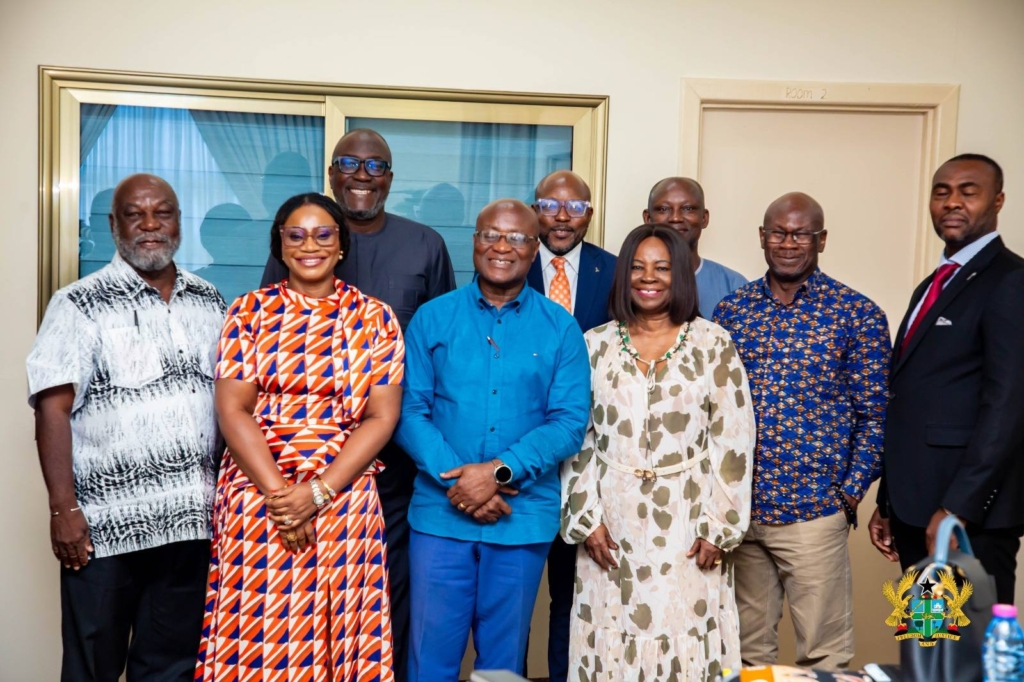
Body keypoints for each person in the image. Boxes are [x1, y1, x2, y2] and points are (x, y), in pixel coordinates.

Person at [260, 129, 455, 681]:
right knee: (296, 600)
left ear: (390, 177)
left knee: (383, 591)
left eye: (375, 165)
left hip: (395, 454)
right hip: (296, 462)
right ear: (331, 174)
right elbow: (269, 337)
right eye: (349, 163)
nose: (362, 175)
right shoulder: (302, 242)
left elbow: (443, 346)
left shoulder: (425, 244)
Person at [27, 174, 226, 681]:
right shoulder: (78, 303)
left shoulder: (210, 301)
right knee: (92, 667)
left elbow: (232, 407)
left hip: (192, 523)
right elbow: (52, 409)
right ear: (114, 225)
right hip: (106, 529)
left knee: (172, 670)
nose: (150, 225)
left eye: (162, 213)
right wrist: (63, 509)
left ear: (179, 222)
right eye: (135, 215)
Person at [196, 193, 404, 681]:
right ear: (281, 245)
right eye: (297, 235)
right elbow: (232, 408)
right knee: (261, 632)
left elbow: (381, 417)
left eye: (323, 234)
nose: (310, 245)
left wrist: (318, 492)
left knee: (342, 628)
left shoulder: (376, 317)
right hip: (258, 494)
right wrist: (282, 499)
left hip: (344, 496)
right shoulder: (250, 312)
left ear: (341, 244)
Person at [395, 199, 590, 681]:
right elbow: (409, 412)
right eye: (491, 235)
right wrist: (462, 483)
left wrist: (497, 474)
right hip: (440, 518)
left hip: (520, 520)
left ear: (535, 248)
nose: (502, 247)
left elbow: (569, 422)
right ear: (474, 241)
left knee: (502, 664)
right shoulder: (432, 318)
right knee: (429, 658)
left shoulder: (561, 328)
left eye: (517, 238)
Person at [561, 223, 756, 682]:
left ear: (680, 275)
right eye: (637, 267)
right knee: (611, 631)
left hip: (689, 523)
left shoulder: (713, 344)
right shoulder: (594, 344)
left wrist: (720, 527)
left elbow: (733, 440)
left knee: (683, 634)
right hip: (612, 522)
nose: (648, 277)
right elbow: (579, 439)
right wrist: (586, 519)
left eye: (662, 268)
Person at [713, 192, 890, 670]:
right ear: (762, 237)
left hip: (814, 512)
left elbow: (876, 415)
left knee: (824, 655)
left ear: (821, 240)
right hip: (742, 514)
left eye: (801, 234)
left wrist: (848, 493)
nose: (788, 243)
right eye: (778, 232)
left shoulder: (857, 314)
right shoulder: (732, 312)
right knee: (747, 655)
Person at [868, 154, 1024, 605]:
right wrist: (888, 501)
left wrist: (957, 508)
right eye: (942, 192)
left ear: (998, 201)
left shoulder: (1010, 281)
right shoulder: (935, 284)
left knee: (969, 643)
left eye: (968, 192)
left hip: (967, 519)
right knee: (929, 639)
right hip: (916, 509)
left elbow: (1008, 407)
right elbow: (912, 398)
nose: (952, 202)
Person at [525, 169, 616, 682]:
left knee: (573, 595)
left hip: (590, 458)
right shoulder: (508, 263)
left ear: (589, 213)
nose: (562, 217)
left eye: (574, 207)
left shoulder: (615, 270)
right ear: (534, 210)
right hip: (521, 457)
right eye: (550, 205)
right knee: (512, 601)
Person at [644, 177, 746, 317]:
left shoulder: (735, 286)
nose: (675, 218)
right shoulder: (631, 282)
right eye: (663, 209)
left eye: (688, 209)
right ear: (648, 218)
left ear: (704, 218)